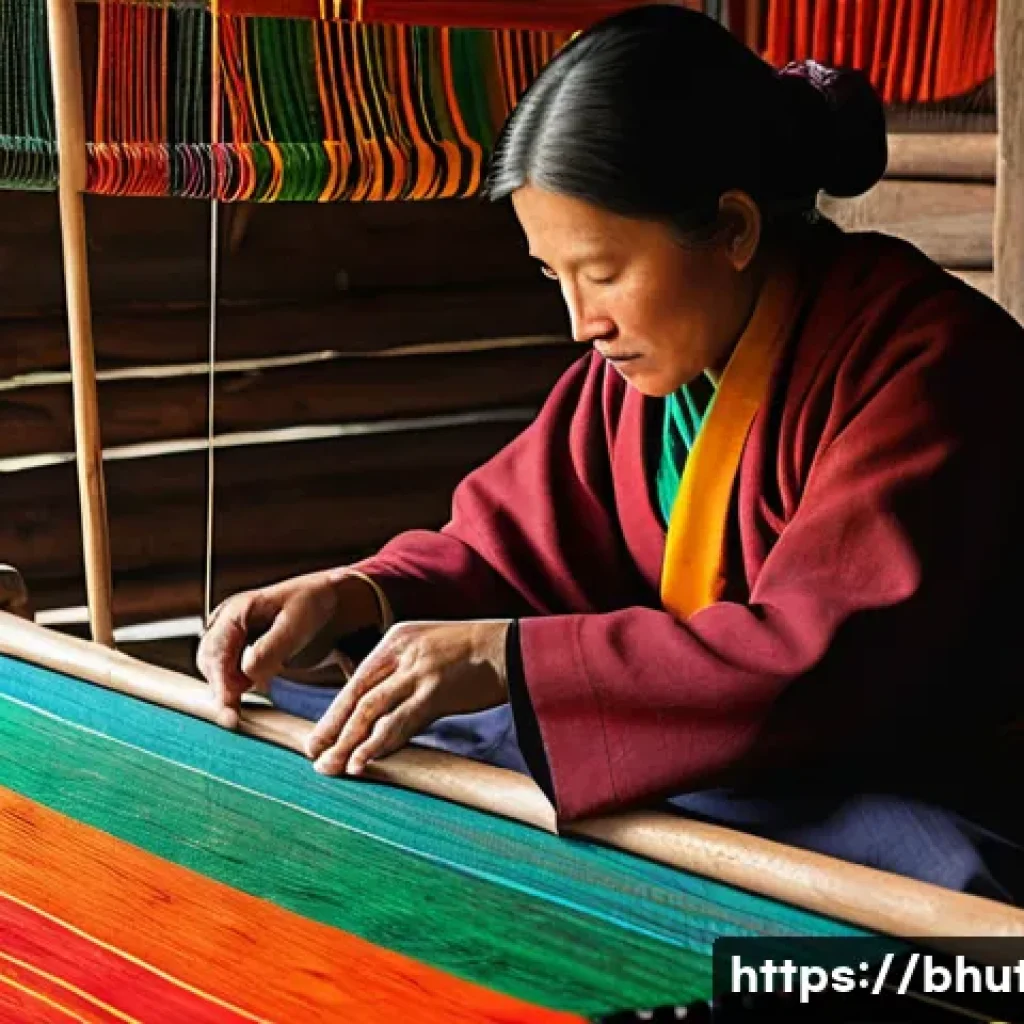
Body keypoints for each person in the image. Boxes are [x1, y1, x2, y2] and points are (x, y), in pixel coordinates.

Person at [197, 4, 1024, 902]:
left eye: (603, 272)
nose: (581, 323)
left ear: (734, 230)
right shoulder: (649, 371)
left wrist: (508, 660)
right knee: (363, 739)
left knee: (946, 888)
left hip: (891, 775)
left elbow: (819, 662)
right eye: (555, 276)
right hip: (726, 764)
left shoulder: (931, 365)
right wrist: (358, 592)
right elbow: (506, 548)